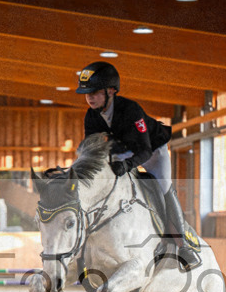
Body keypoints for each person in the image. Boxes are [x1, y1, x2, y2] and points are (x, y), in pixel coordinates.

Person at [76, 61, 201, 271]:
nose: (89, 97)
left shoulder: (131, 110)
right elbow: (93, 150)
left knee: (164, 189)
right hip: (122, 151)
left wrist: (127, 165)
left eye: (95, 92)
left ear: (111, 91)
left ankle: (184, 246)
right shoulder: (91, 116)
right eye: (87, 93)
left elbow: (144, 150)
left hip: (152, 150)